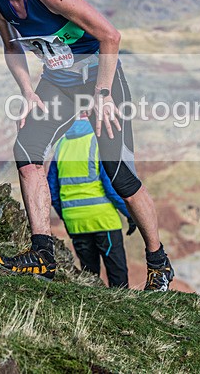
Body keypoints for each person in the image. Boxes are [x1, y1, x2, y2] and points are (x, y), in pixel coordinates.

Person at [0, 0, 174, 290]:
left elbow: (110, 36)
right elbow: (12, 46)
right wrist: (28, 92)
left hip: (101, 82)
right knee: (26, 152)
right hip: (58, 84)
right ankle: (42, 254)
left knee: (118, 174)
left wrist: (102, 96)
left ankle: (158, 262)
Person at [48, 118, 136, 288]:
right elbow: (111, 188)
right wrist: (130, 214)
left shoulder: (61, 145)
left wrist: (66, 215)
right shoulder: (98, 142)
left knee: (89, 278)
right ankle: (121, 312)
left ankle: (90, 312)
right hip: (104, 220)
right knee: (117, 275)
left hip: (75, 222)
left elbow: (52, 190)